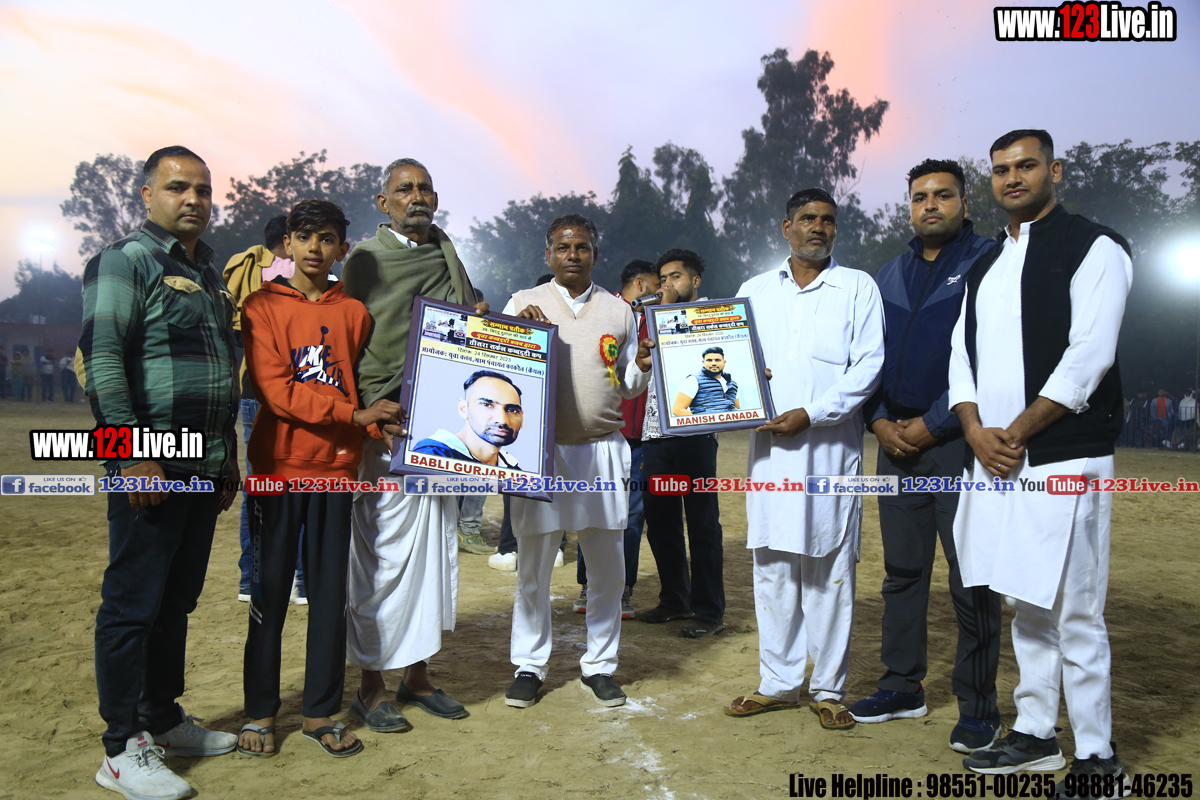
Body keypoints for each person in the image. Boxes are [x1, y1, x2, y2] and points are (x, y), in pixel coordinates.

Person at [951, 130, 1132, 778]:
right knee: (1024, 599)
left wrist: (1018, 431)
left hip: (1064, 457)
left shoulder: (1096, 247)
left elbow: (1090, 356)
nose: (1013, 178)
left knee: (1076, 609)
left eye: (1026, 165)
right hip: (995, 459)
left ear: (1054, 171)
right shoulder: (986, 264)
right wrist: (975, 430)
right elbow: (960, 356)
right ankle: (1034, 732)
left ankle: (1097, 757)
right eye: (1001, 169)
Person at [83, 145, 241, 800]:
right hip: (152, 460)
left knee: (176, 601)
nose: (193, 199)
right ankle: (122, 747)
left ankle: (163, 718)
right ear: (147, 194)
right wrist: (129, 453)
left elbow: (218, 372)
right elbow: (103, 360)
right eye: (178, 187)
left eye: (202, 189)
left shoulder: (209, 274)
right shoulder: (125, 260)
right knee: (133, 605)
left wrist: (228, 458)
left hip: (203, 464)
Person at [237, 200, 401, 759]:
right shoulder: (261, 306)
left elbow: (357, 386)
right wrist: (354, 415)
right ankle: (260, 711)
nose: (314, 247)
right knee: (270, 592)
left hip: (336, 469)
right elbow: (275, 390)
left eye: (326, 238)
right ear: (287, 243)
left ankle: (318, 714)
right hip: (279, 469)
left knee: (331, 595)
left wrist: (376, 425)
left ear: (342, 249)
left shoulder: (354, 312)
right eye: (304, 236)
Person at [848, 159, 1003, 753]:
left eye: (943, 195)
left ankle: (979, 706)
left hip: (960, 442)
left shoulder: (990, 262)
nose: (930, 205)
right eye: (919, 197)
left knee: (972, 577)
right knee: (903, 573)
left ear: (965, 202)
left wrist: (936, 424)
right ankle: (901, 686)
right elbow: (868, 357)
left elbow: (992, 358)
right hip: (896, 445)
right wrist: (879, 420)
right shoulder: (889, 273)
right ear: (909, 206)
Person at [723, 188, 884, 731]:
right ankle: (777, 682)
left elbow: (868, 368)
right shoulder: (754, 291)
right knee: (771, 568)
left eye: (828, 220)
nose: (819, 228)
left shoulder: (857, 287)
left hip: (829, 452)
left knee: (829, 570)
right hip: (770, 454)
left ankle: (828, 688)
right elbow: (729, 361)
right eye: (808, 218)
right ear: (786, 226)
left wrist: (811, 414)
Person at [341, 157, 481, 734]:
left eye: (424, 188)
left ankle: (417, 676)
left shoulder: (446, 252)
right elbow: (347, 343)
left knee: (431, 554)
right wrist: (367, 415)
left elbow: (464, 323)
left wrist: (487, 320)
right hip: (386, 422)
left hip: (437, 423)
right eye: (404, 189)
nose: (416, 196)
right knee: (380, 556)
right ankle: (370, 686)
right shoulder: (366, 260)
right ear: (384, 202)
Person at [501, 214, 654, 709]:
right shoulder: (521, 303)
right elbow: (500, 374)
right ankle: (530, 665)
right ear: (548, 254)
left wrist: (643, 368)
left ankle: (600, 665)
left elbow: (626, 384)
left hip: (602, 448)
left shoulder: (618, 310)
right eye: (564, 247)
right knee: (534, 566)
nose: (573, 255)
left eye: (582, 247)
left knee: (607, 567)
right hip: (540, 454)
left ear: (594, 254)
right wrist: (518, 335)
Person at [638, 249, 728, 638]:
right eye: (662, 279)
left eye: (675, 276)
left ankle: (709, 611)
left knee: (703, 526)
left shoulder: (712, 316)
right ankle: (675, 599)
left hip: (695, 437)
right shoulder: (653, 319)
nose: (667, 284)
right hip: (656, 436)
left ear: (695, 281)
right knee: (661, 524)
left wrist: (668, 310)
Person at [573, 259, 659, 619]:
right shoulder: (602, 312)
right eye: (658, 284)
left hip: (640, 437)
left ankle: (623, 588)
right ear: (640, 284)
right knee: (590, 510)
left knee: (632, 516)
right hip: (601, 433)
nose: (663, 291)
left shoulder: (658, 319)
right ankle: (588, 584)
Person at [224, 215, 304, 602]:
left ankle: (249, 579)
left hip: (253, 388)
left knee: (258, 487)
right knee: (303, 485)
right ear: (289, 241)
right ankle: (302, 580)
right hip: (298, 392)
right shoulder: (303, 274)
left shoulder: (249, 274)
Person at [487, 270, 568, 574]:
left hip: (525, 414)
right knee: (553, 483)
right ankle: (556, 548)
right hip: (558, 417)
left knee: (515, 479)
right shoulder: (571, 326)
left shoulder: (525, 319)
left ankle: (509, 549)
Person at [411, 370, 523, 468]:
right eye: (487, 405)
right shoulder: (431, 455)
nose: (502, 420)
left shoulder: (512, 469)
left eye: (512, 410)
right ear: (463, 409)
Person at [671, 346, 739, 416]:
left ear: (724, 362)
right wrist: (702, 422)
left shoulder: (732, 383)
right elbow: (678, 410)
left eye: (717, 360)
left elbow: (737, 409)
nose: (713, 363)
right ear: (703, 362)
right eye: (709, 360)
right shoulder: (693, 380)